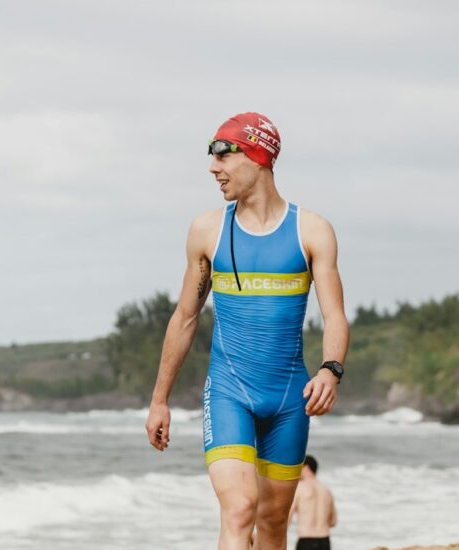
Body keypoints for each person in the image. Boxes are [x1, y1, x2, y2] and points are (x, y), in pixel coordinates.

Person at [145, 112, 349, 550]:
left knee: (274, 523)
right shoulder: (208, 231)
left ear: (257, 156)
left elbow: (334, 314)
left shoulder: (311, 230)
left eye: (222, 153)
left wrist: (330, 370)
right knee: (239, 510)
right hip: (228, 393)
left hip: (288, 399)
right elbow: (185, 317)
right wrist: (159, 400)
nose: (212, 167)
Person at [288, 455, 337, 550]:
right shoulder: (326, 491)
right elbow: (333, 522)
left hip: (306, 540)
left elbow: (287, 517)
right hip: (324, 541)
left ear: (306, 467)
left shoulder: (299, 488)